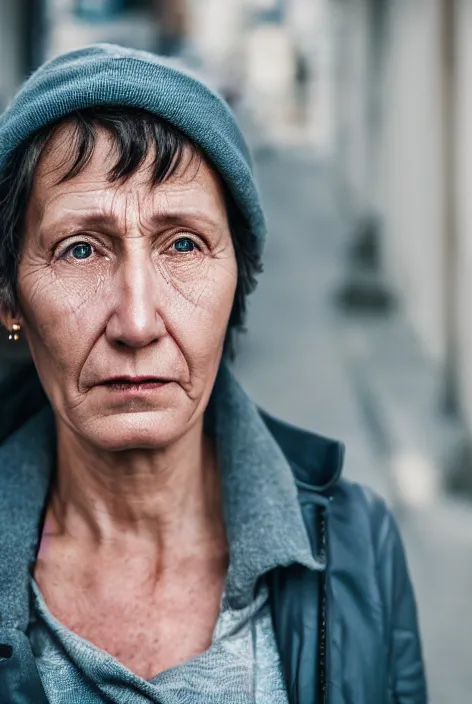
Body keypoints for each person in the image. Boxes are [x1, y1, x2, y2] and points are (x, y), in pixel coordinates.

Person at [0, 44, 427, 703]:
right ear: (10, 302)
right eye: (80, 248)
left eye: (183, 243)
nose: (137, 322)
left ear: (237, 283)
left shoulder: (357, 546)